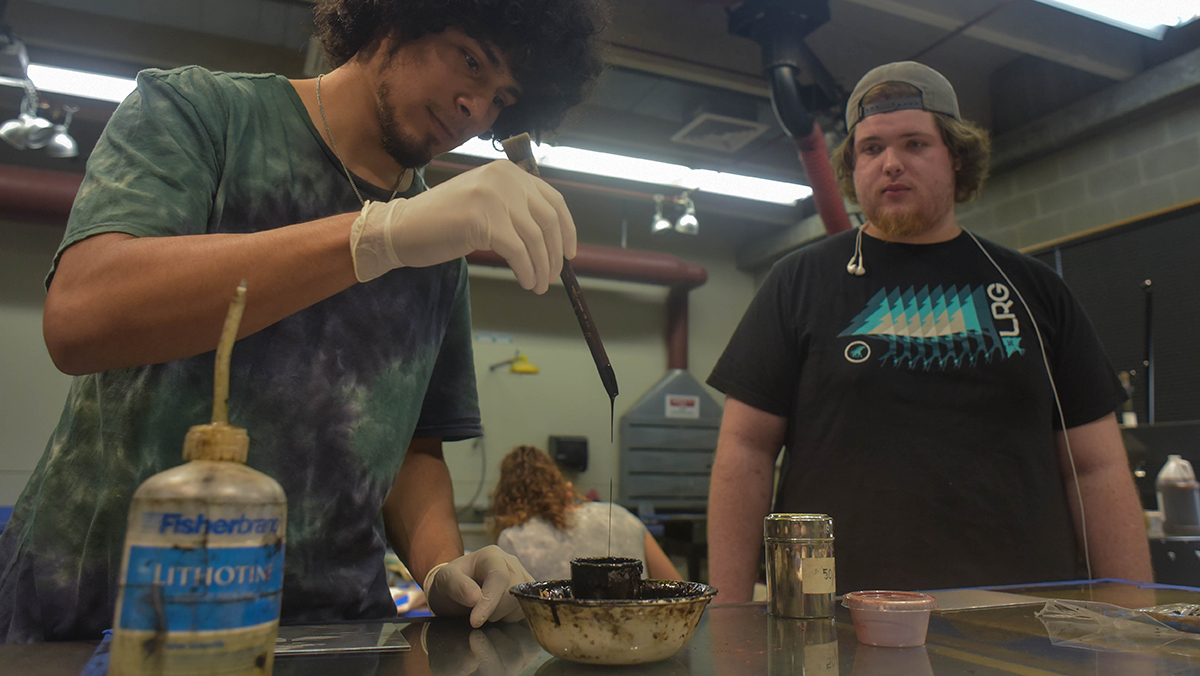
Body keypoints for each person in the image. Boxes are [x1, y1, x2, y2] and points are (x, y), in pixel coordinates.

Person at [0, 0, 607, 641]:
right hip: (105, 620)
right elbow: (82, 315)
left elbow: (409, 446)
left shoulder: (440, 244)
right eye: (470, 59)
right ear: (395, 16)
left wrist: (442, 567)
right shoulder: (200, 113)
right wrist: (376, 237)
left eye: (502, 97)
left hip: (333, 636)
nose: (476, 108)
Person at [705, 61, 1152, 602]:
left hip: (1020, 621)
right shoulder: (798, 282)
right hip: (838, 618)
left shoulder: (1034, 291)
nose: (890, 163)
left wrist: (1133, 621)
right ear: (853, 166)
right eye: (870, 149)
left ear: (956, 158)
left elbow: (1097, 467)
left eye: (914, 144)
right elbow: (745, 451)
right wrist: (728, 614)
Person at [490, 446, 682, 581]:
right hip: (639, 631)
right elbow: (677, 587)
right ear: (557, 482)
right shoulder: (617, 514)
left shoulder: (512, 539)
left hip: (558, 636)